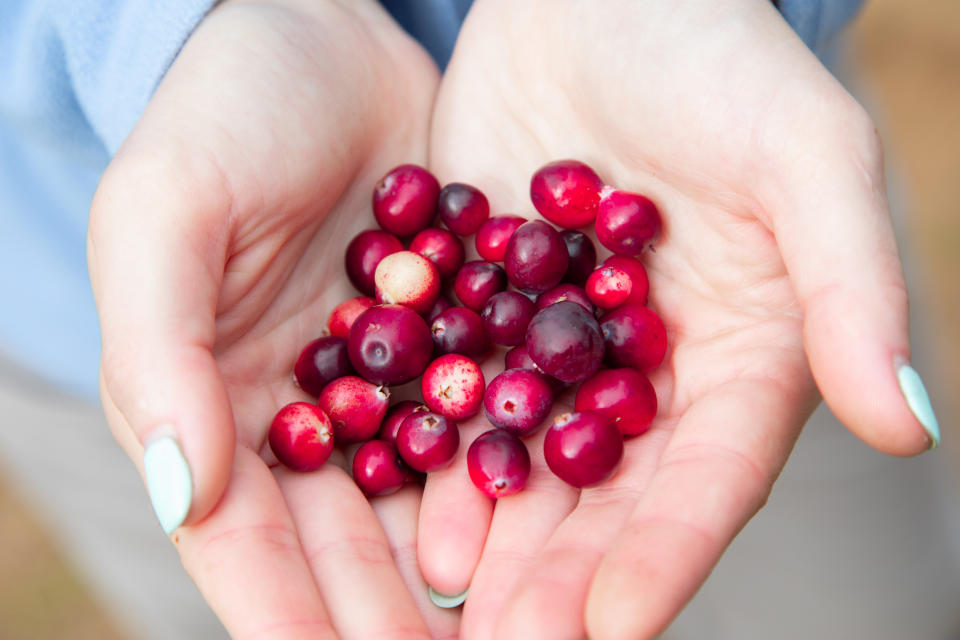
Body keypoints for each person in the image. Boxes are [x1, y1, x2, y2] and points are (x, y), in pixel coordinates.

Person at [0, 0, 954, 638]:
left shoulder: (550, 300)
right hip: (143, 298)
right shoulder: (442, 338)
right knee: (259, 583)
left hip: (721, 225)